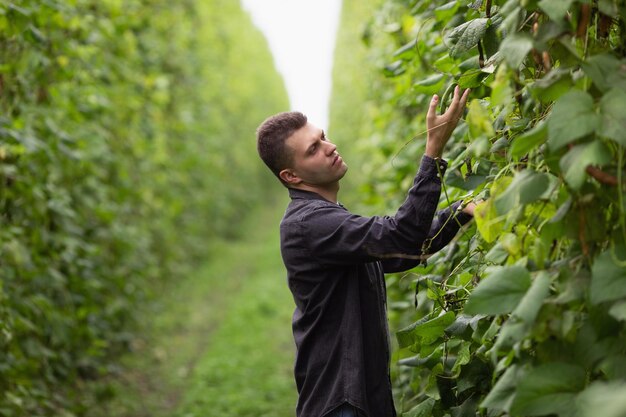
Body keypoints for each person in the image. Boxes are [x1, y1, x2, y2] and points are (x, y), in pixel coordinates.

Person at [256, 86, 474, 417]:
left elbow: (401, 252)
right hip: (342, 402)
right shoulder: (310, 224)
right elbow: (400, 237)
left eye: (323, 137)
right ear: (292, 176)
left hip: (357, 396)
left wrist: (460, 212)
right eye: (313, 149)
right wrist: (433, 150)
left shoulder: (325, 217)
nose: (330, 148)